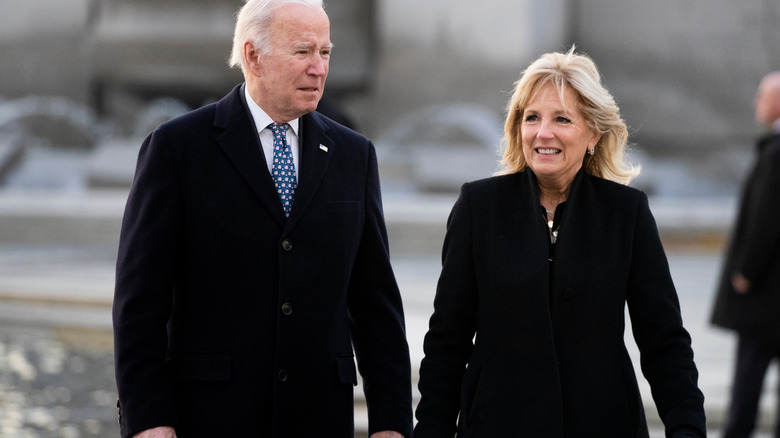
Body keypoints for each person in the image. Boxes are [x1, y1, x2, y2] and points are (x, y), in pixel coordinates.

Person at [112, 1, 413, 437]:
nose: (318, 68)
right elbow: (139, 302)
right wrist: (149, 421)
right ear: (253, 55)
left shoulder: (354, 155)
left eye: (325, 53)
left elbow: (376, 306)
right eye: (303, 52)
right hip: (211, 418)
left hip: (318, 418)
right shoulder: (177, 149)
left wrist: (391, 423)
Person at [413, 47, 707, 437]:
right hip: (498, 424)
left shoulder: (626, 213)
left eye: (562, 119)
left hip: (603, 424)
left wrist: (686, 427)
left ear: (593, 135)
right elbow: (447, 340)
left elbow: (664, 341)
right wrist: (431, 429)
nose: (543, 132)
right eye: (531, 117)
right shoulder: (478, 207)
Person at [711, 71, 780, 438]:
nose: (756, 103)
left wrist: (746, 271)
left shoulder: (776, 151)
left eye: (762, 96)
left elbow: (766, 217)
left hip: (764, 297)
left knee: (747, 388)